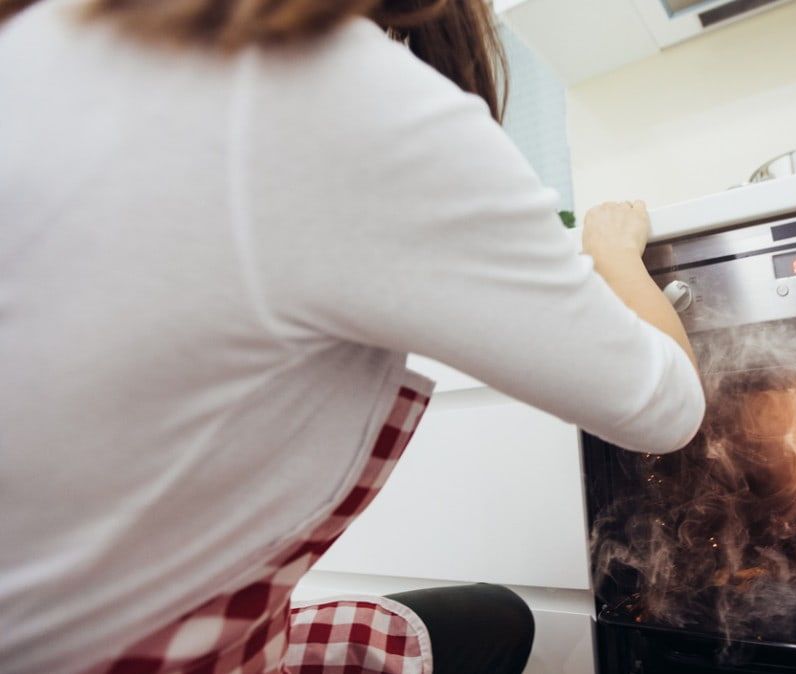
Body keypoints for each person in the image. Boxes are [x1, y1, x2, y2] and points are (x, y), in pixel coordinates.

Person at [0, 0, 705, 672]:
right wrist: (613, 254)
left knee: (490, 618)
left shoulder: (46, 43)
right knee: (499, 620)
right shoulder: (333, 88)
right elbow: (665, 409)